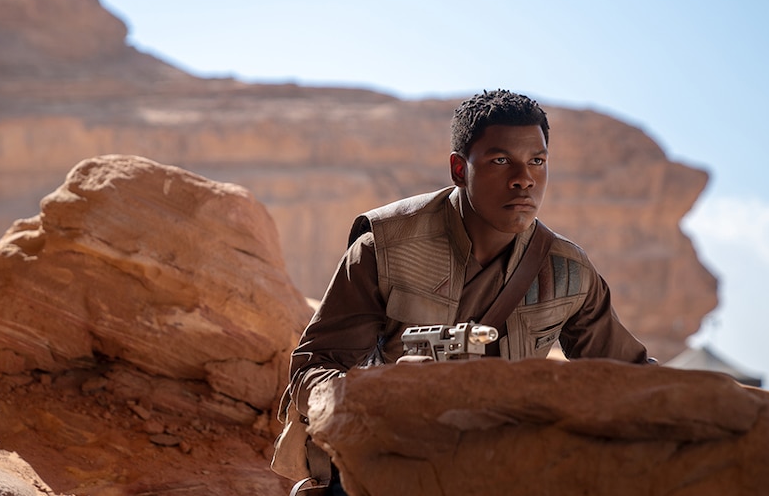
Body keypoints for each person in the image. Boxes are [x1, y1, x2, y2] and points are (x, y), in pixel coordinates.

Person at [272, 89, 654, 495]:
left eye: (537, 162)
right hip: (391, 457)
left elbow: (631, 379)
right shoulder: (383, 248)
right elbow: (313, 368)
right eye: (500, 160)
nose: (524, 178)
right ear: (459, 169)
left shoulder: (567, 272)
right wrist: (376, 392)